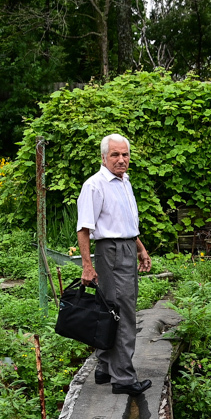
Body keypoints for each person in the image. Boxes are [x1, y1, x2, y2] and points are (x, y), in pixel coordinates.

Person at [76, 134, 153, 395]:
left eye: (125, 155)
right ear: (103, 157)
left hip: (127, 247)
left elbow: (126, 224)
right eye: (115, 155)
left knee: (111, 307)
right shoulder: (95, 185)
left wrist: (140, 248)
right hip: (111, 251)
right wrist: (87, 266)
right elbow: (84, 228)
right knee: (123, 312)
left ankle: (105, 367)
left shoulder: (124, 182)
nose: (121, 160)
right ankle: (124, 379)